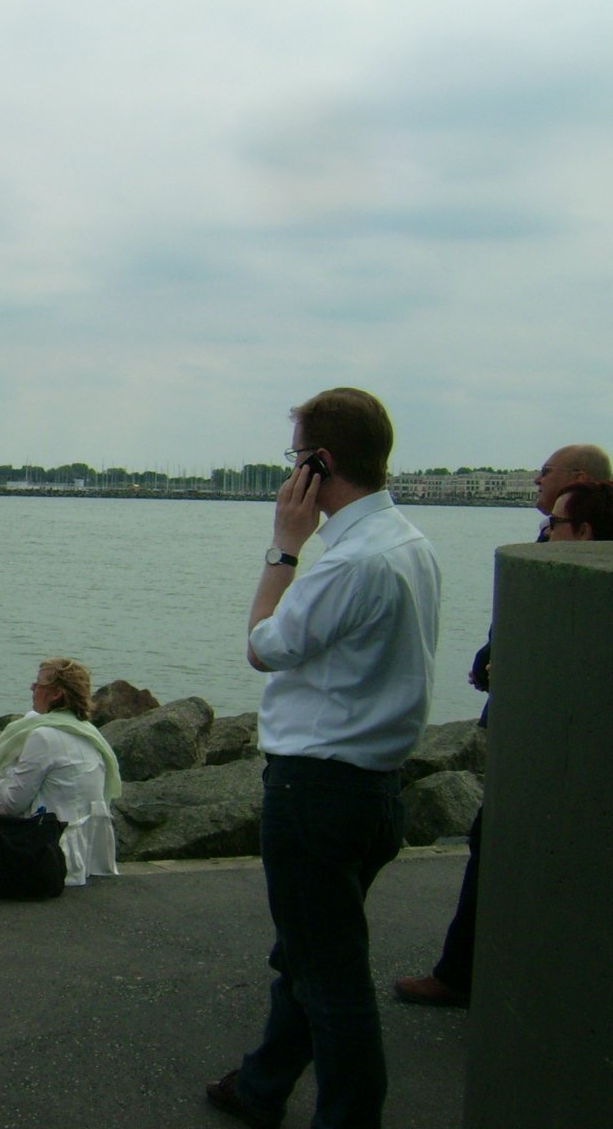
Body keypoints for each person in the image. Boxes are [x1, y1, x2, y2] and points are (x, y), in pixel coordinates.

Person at [207, 388, 440, 1129]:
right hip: (375, 787)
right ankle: (262, 1084)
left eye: (295, 458)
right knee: (305, 953)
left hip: (317, 790)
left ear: (319, 462)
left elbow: (262, 645)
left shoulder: (349, 563)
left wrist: (284, 545)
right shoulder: (409, 543)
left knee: (332, 979)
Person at [395, 451, 610, 1010]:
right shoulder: (551, 549)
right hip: (531, 726)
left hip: (548, 739)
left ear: (580, 489)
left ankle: (462, 975)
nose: (538, 481)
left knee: (496, 843)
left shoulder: (580, 572)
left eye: (548, 474)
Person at [0, 657, 122, 886]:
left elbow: (10, 804)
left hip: (49, 852)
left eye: (38, 684)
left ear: (56, 693)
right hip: (87, 854)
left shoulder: (43, 736)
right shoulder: (90, 734)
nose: (32, 687)